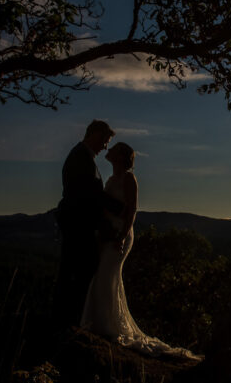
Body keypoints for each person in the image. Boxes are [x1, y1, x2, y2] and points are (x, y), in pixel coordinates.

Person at [80, 142, 203, 360]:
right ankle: (101, 323)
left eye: (114, 148)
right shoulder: (110, 180)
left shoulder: (129, 178)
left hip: (121, 234)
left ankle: (108, 326)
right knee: (103, 276)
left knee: (106, 276)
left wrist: (121, 235)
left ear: (121, 156)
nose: (109, 150)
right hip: (108, 234)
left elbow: (132, 210)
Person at [54, 119, 123, 328]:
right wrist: (121, 207)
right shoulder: (81, 158)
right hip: (78, 222)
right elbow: (91, 193)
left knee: (73, 268)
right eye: (105, 141)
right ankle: (69, 321)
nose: (105, 147)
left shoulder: (82, 157)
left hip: (77, 221)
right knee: (80, 269)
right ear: (95, 135)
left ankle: (67, 318)